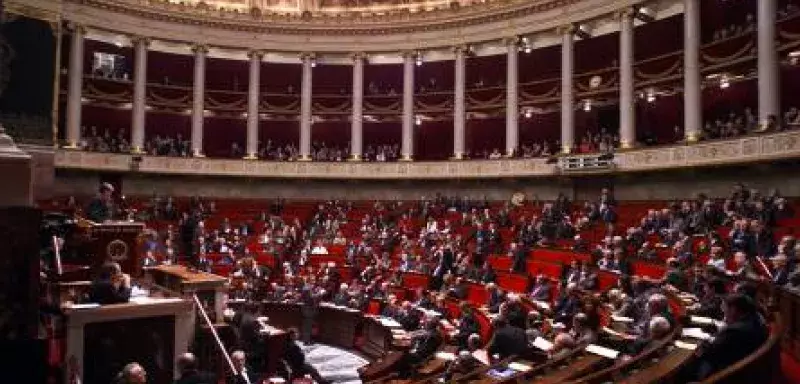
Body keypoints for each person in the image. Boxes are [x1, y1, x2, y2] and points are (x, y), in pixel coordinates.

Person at [687, 294, 769, 381]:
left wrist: (701, 343)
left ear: (733, 309)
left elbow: (710, 353)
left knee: (686, 364)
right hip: (741, 367)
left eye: (724, 309)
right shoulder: (754, 319)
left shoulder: (734, 331)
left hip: (722, 373)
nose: (724, 313)